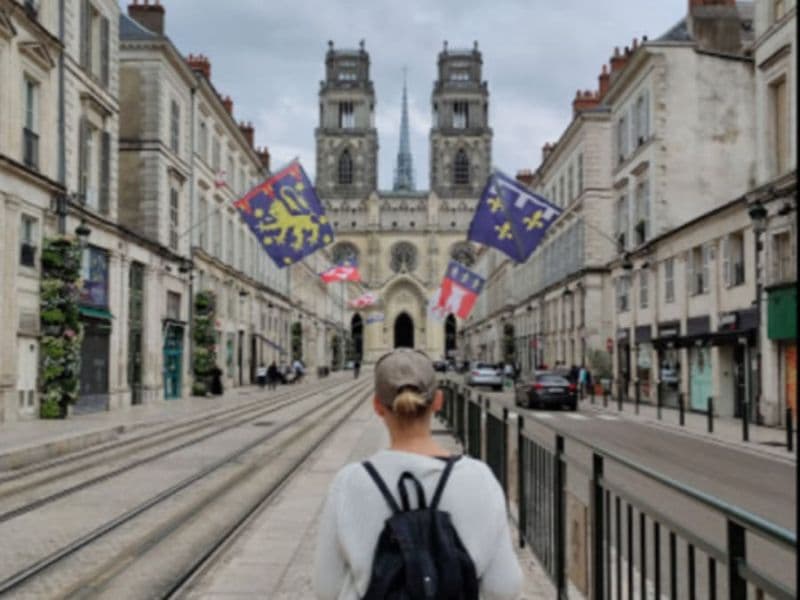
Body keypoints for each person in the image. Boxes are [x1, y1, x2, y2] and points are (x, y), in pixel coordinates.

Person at [314, 348, 522, 600]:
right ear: (438, 401)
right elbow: (504, 587)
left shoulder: (348, 483)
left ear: (378, 406)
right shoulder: (480, 479)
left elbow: (326, 588)